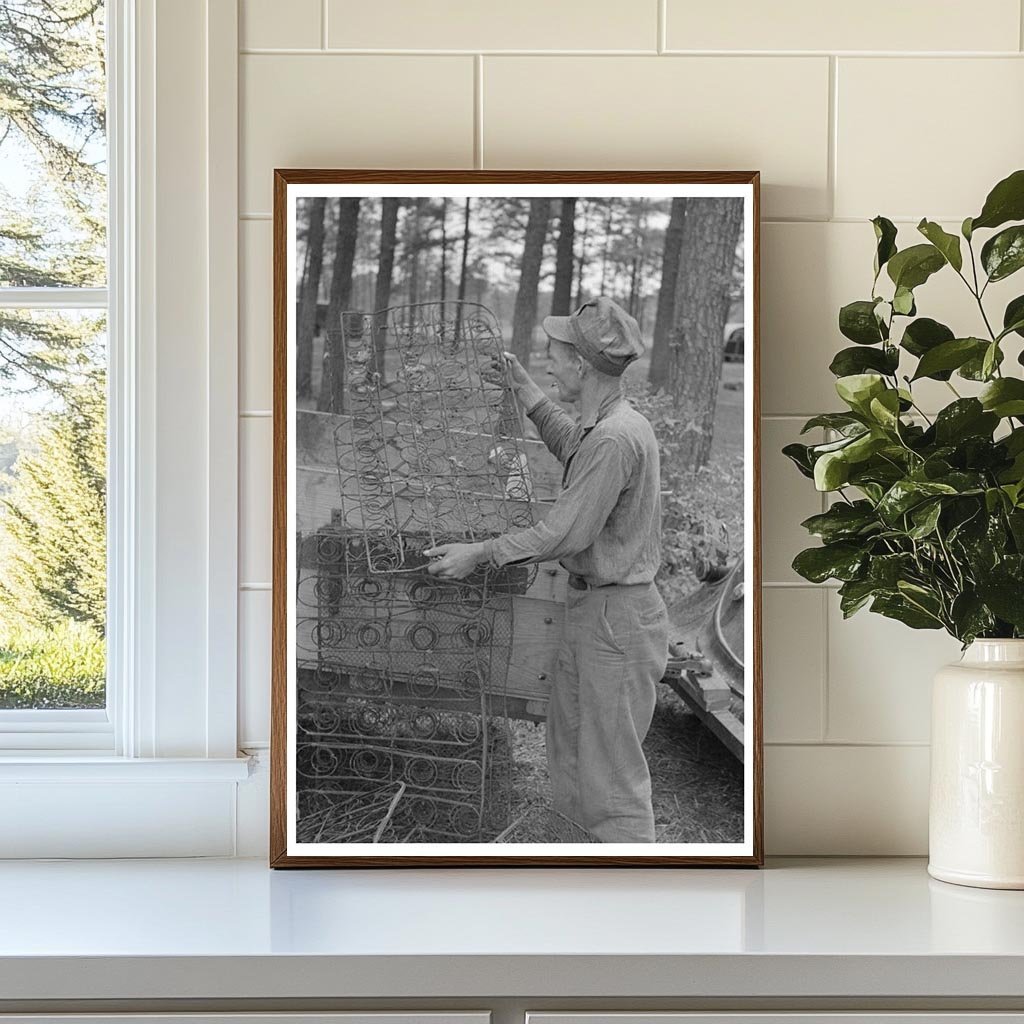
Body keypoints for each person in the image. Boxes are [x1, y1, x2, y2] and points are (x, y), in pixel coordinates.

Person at [424, 296, 669, 843]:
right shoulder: (607, 425)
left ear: (582, 365)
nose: (549, 363)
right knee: (574, 752)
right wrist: (529, 394)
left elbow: (566, 533)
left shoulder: (614, 438)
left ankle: (634, 898)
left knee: (613, 782)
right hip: (597, 612)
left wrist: (480, 552)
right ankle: (587, 880)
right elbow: (573, 448)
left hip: (618, 621)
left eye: (554, 356)